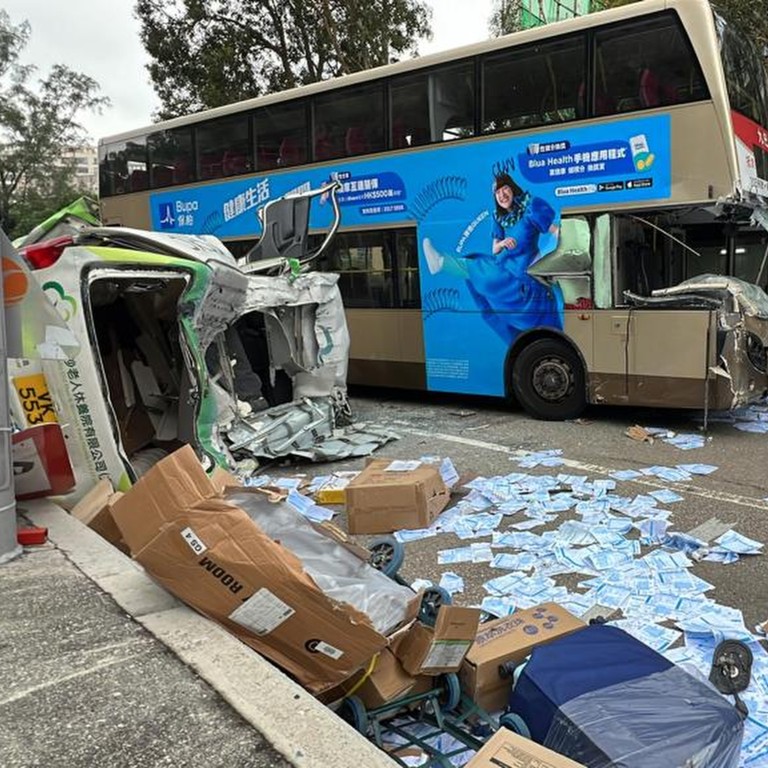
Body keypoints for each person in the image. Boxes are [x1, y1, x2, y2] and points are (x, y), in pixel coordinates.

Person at [423, 170, 563, 344]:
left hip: (525, 275)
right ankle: (441, 262)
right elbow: (494, 249)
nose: (502, 195)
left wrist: (551, 256)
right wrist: (503, 243)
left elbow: (556, 231)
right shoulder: (499, 217)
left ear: (512, 189)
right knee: (481, 267)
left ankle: (442, 262)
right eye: (497, 193)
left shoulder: (530, 209)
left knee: (484, 272)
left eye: (505, 189)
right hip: (505, 266)